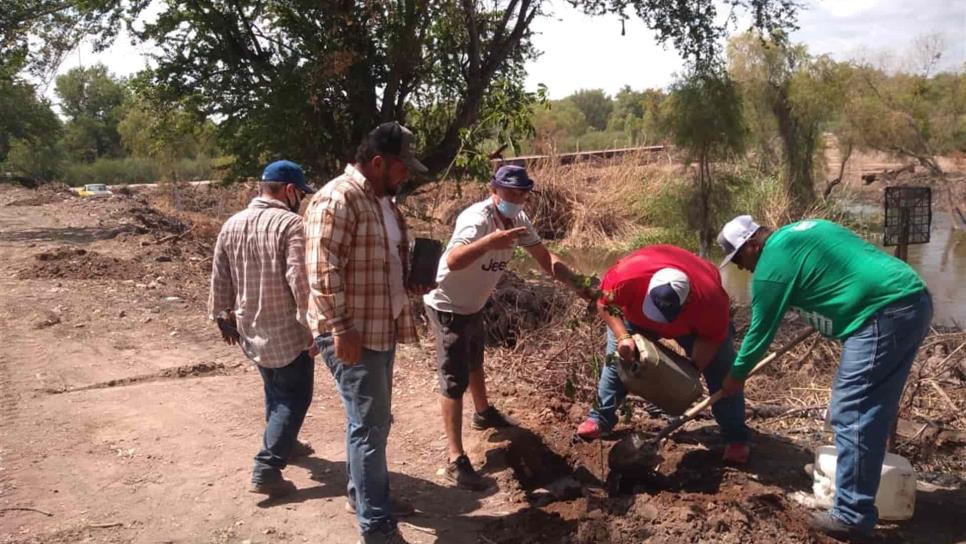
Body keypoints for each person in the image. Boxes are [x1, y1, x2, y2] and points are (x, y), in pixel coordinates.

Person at [716, 215, 932, 540]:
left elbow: (759, 334)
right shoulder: (804, 230)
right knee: (872, 409)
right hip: (910, 299)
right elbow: (842, 267)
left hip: (879, 314)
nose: (742, 268)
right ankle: (856, 482)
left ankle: (851, 516)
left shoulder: (770, 270)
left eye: (739, 258)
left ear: (751, 245)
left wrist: (735, 377)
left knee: (852, 412)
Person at [423, 164, 592, 490]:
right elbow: (453, 260)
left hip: (474, 303)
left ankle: (483, 413)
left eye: (522, 193)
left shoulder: (519, 221)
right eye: (511, 192)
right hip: (446, 304)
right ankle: (455, 458)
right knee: (453, 378)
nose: (517, 198)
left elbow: (546, 260)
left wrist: (579, 283)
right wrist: (490, 242)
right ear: (494, 190)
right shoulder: (477, 220)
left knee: (475, 358)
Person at [304, 122, 430, 544]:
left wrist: (410, 280)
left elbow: (383, 261)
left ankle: (364, 497)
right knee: (370, 427)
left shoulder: (383, 203)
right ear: (378, 163)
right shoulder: (338, 198)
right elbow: (322, 270)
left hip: (381, 326)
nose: (406, 174)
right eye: (401, 167)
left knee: (370, 422)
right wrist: (341, 328)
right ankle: (376, 527)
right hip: (352, 331)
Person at [575, 244, 751, 464]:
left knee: (723, 371)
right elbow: (604, 303)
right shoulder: (627, 276)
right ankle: (600, 418)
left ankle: (735, 437)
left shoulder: (711, 301)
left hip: (692, 327)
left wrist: (691, 371)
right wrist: (623, 338)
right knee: (618, 361)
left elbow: (712, 339)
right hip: (634, 317)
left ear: (687, 300)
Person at [208, 159, 317, 497]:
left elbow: (220, 275)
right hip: (287, 331)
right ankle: (267, 468)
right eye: (300, 193)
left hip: (249, 327)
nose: (301, 199)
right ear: (289, 190)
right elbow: (300, 280)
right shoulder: (291, 225)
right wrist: (315, 326)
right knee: (294, 398)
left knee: (274, 390)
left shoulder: (232, 224)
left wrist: (221, 316)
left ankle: (287, 443)